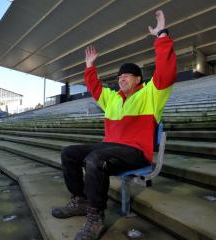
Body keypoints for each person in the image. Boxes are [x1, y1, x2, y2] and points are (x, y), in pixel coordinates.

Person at [52, 10, 176, 240]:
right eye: (120, 76)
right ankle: (80, 200)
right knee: (69, 153)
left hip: (136, 152)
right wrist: (90, 67)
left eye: (127, 75)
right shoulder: (112, 98)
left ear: (139, 79)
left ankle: (95, 217)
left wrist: (161, 36)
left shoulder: (151, 94)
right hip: (111, 147)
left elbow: (166, 72)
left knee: (94, 159)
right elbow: (96, 88)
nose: (122, 78)